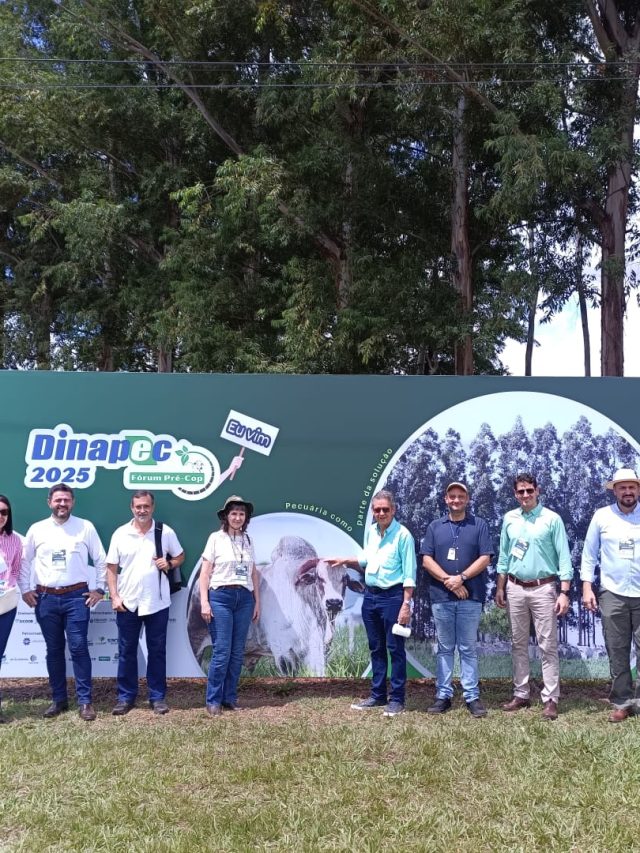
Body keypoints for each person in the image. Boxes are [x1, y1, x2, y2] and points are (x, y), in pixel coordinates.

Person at [19, 483, 106, 721]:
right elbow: (25, 562)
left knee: (78, 647)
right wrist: (25, 590)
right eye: (58, 500)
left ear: (73, 502)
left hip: (76, 597)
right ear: (49, 502)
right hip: (45, 598)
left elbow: (101, 559)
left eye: (66, 500)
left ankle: (85, 702)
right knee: (54, 650)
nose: (62, 504)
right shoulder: (37, 529)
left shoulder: (85, 527)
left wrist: (100, 589)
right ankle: (59, 700)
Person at [328, 489, 416, 717]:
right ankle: (378, 696)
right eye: (377, 510)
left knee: (395, 649)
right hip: (370, 597)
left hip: (393, 598)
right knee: (376, 648)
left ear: (393, 510)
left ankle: (397, 700)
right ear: (372, 512)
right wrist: (345, 561)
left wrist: (406, 604)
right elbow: (366, 560)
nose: (381, 513)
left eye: (385, 509)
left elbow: (410, 574)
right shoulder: (371, 532)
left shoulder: (403, 536)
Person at [496, 473, 572, 720]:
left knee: (547, 645)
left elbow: (564, 558)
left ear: (537, 490)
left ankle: (550, 698)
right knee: (517, 643)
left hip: (544, 589)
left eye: (529, 490)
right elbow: (504, 556)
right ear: (515, 494)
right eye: (521, 491)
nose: (525, 495)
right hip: (514, 588)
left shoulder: (552, 519)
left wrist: (564, 592)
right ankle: (521, 693)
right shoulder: (509, 518)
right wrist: (500, 587)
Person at [106, 490, 184, 715]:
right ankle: (125, 697)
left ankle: (157, 697)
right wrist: (114, 597)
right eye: (138, 506)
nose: (142, 510)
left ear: (153, 507)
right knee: (126, 651)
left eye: (146, 506)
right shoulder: (120, 533)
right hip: (127, 602)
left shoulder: (164, 531)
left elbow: (180, 556)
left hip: (156, 602)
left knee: (157, 651)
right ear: (132, 508)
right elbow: (111, 568)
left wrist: (169, 564)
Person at [421, 482, 493, 718]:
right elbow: (426, 560)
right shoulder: (435, 527)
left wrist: (461, 578)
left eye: (461, 496)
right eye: (452, 496)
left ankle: (471, 696)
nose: (456, 500)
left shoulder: (479, 525)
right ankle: (443, 695)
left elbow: (485, 557)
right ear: (446, 499)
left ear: (467, 499)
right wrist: (448, 581)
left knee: (468, 648)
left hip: (471, 597)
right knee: (445, 648)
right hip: (441, 597)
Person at [581, 468, 640, 722]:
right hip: (612, 593)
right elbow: (589, 554)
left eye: (632, 487)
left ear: (638, 489)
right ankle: (622, 703)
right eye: (622, 487)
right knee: (617, 650)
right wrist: (586, 587)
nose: (628, 491)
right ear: (614, 490)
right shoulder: (602, 516)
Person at [199, 495, 260, 716]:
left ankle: (230, 698)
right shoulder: (215, 538)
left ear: (246, 518)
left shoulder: (248, 540)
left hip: (244, 598)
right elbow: (205, 573)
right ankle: (213, 700)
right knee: (222, 650)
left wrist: (257, 602)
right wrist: (204, 602)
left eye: (242, 513)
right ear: (226, 516)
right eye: (233, 513)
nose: (237, 517)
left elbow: (253, 572)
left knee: (237, 652)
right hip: (220, 597)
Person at [0, 495, 23, 723]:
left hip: (5, 605)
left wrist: (8, 585)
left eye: (4, 512)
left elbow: (15, 570)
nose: (0, 516)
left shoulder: (15, 540)